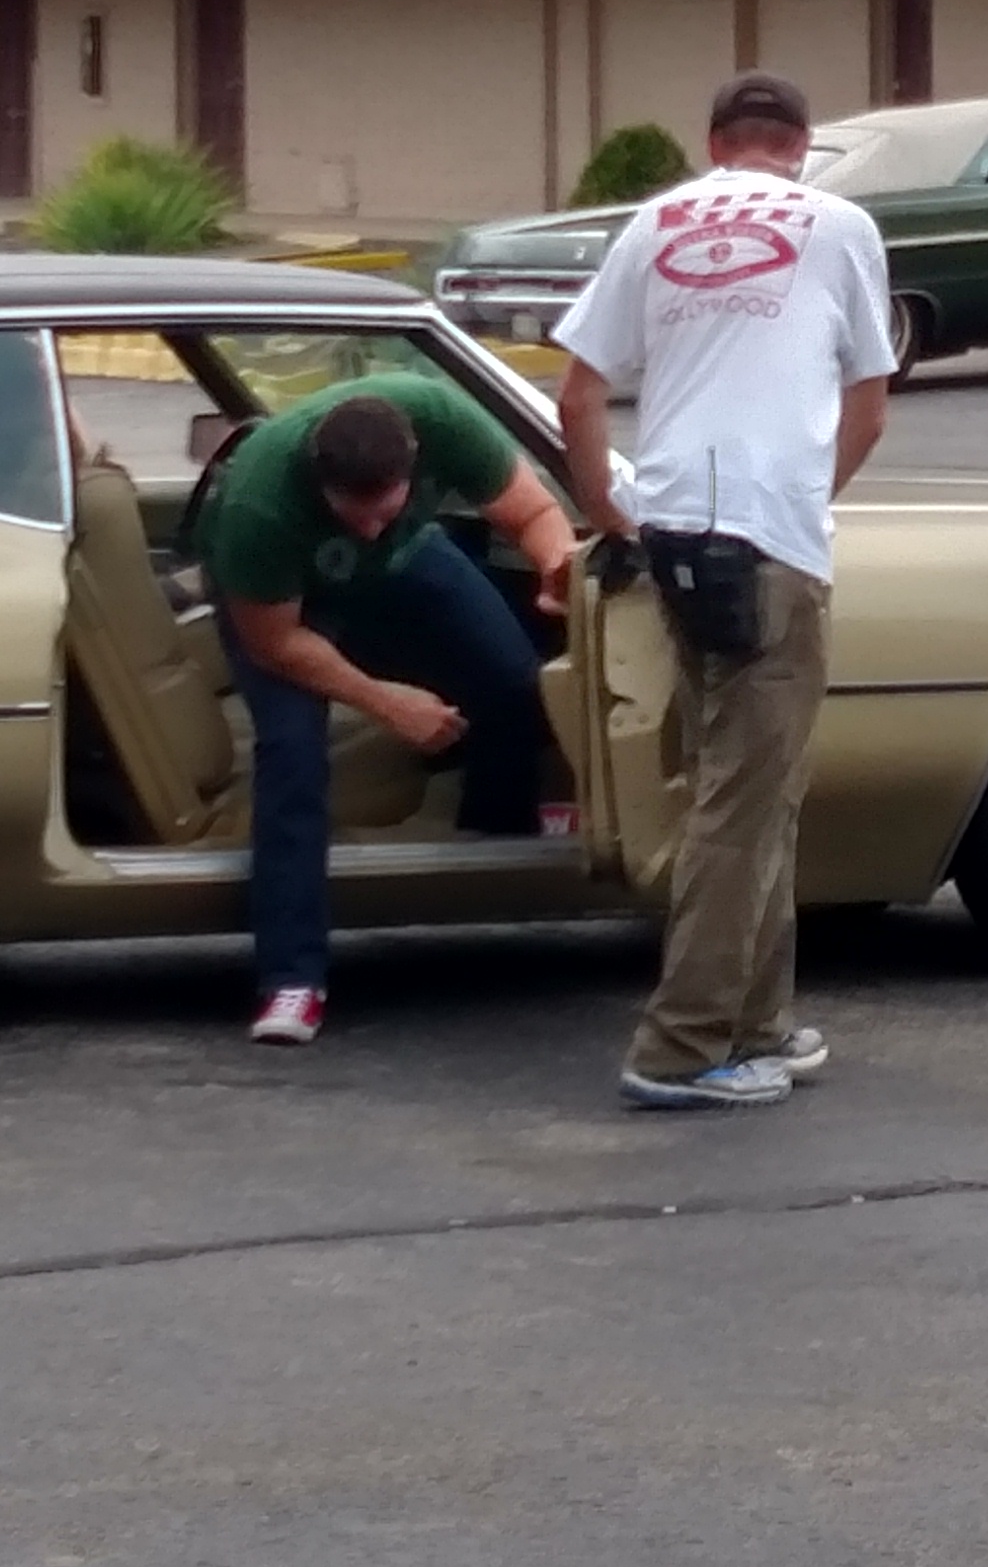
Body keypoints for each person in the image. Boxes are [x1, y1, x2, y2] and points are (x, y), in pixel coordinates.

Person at [551, 68, 896, 1112]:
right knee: (742, 807)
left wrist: (616, 517)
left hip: (674, 534)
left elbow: (576, 393)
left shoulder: (651, 222)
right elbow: (869, 405)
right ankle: (683, 1046)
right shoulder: (839, 225)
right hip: (770, 540)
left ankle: (759, 1022)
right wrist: (800, 505)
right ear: (801, 145)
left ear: (714, 143)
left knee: (749, 785)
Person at [198, 370, 581, 1047]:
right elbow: (279, 643)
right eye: (357, 513)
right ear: (321, 484)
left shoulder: (440, 419)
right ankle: (292, 977)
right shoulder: (260, 503)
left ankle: (495, 833)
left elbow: (533, 514)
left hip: (407, 564)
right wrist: (387, 703)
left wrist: (556, 568)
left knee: (516, 682)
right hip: (290, 603)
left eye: (388, 506)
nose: (374, 525)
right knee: (292, 755)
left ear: (414, 464)